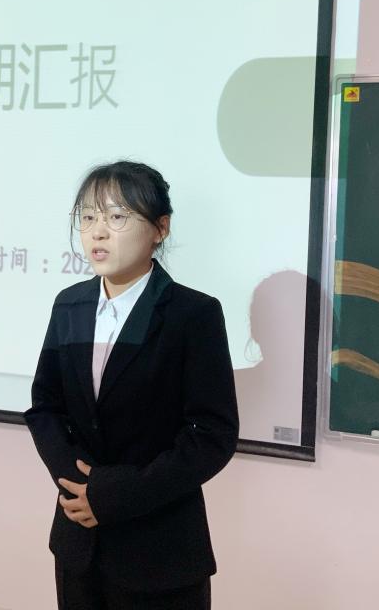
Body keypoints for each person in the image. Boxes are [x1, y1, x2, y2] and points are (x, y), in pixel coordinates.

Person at [25, 160, 239, 610]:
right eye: (88, 217)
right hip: (78, 541)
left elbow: (211, 435)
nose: (98, 232)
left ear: (160, 227)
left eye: (117, 217)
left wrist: (114, 494)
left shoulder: (192, 314)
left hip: (159, 549)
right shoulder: (70, 305)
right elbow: (45, 407)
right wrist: (75, 485)